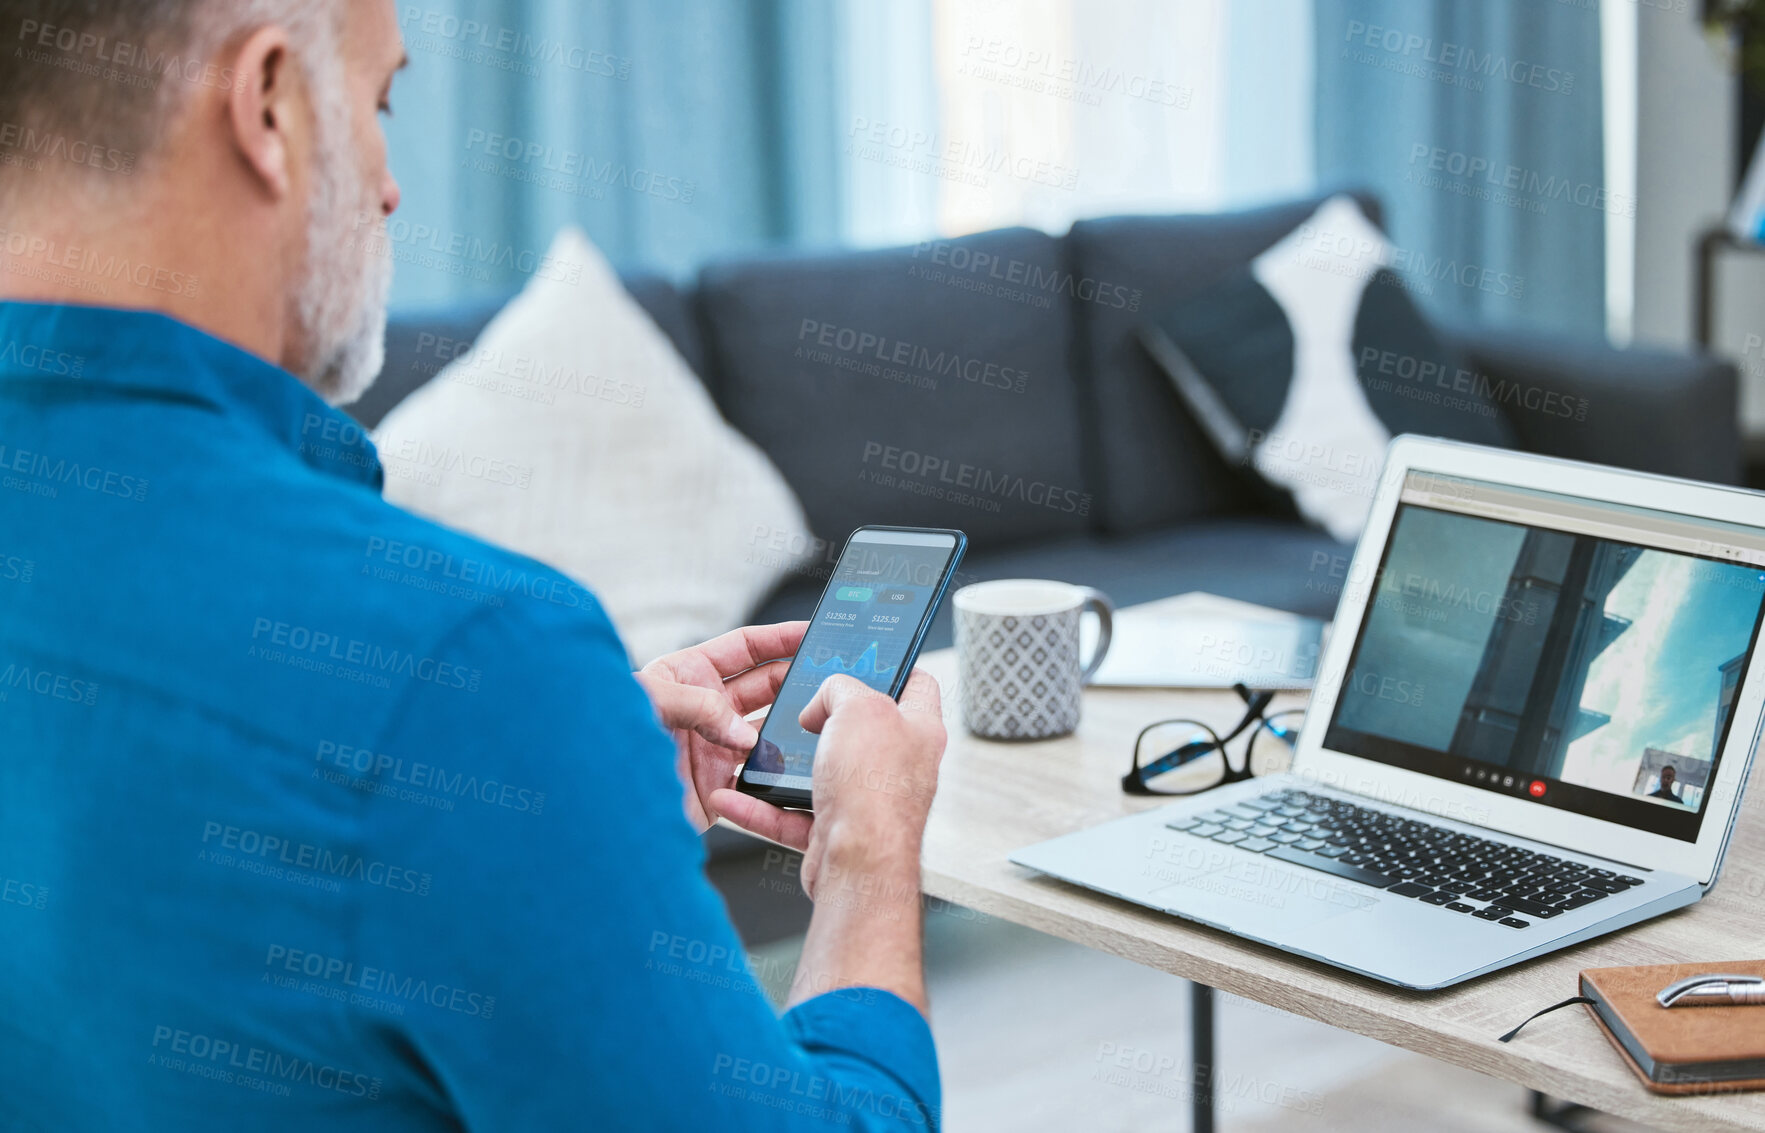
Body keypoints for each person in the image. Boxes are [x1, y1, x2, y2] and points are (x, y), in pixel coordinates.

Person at [0, 1, 947, 1128]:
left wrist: (559, 793)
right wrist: (866, 852)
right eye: (380, 101)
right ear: (267, 105)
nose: (393, 185)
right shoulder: (467, 660)